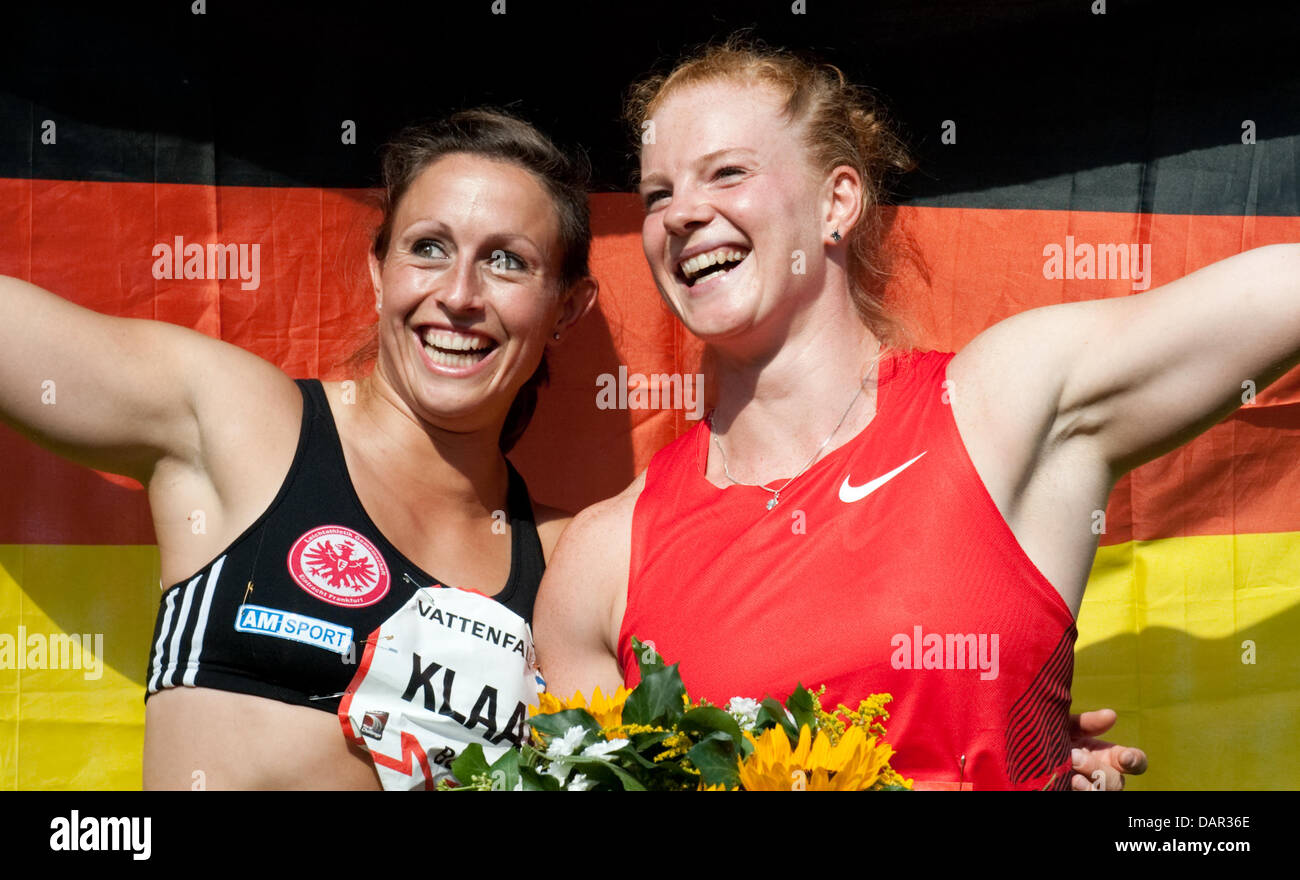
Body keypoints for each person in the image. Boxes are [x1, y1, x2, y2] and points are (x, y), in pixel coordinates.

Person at [534, 39, 1299, 790]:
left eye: (727, 173)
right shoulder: (601, 560)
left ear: (836, 202)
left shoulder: (999, 403)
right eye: (658, 193)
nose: (682, 214)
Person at [0, 110, 597, 789]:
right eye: (428, 247)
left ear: (567, 309)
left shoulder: (571, 562)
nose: (458, 295)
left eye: (506, 261)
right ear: (379, 273)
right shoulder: (244, 422)